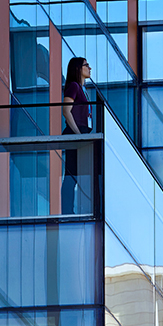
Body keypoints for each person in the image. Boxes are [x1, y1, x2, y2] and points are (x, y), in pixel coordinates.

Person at [61, 57, 92, 213]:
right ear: (78, 69)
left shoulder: (83, 89)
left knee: (77, 173)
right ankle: (68, 210)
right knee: (72, 173)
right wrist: (78, 134)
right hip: (76, 134)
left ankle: (72, 209)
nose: (90, 68)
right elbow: (66, 111)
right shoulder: (73, 86)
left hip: (81, 134)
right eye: (86, 65)